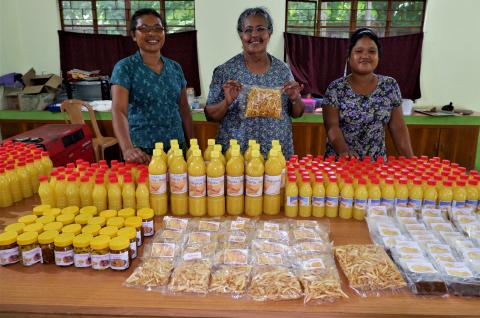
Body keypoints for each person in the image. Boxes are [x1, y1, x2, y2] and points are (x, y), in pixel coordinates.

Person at [204, 7, 304, 159]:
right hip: (237, 155)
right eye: (248, 30)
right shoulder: (225, 71)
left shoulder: (282, 69)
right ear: (240, 35)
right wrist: (226, 102)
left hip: (276, 153)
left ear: (269, 33)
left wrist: (295, 98)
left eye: (260, 29)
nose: (254, 35)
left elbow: (297, 113)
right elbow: (210, 115)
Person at [111, 8, 194, 164]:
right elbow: (119, 110)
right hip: (143, 153)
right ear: (133, 35)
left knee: (179, 188)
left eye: (158, 28)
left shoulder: (175, 68)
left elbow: (184, 109)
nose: (152, 34)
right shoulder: (125, 68)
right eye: (144, 29)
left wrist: (193, 145)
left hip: (177, 151)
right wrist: (128, 149)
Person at [322, 28, 413, 160]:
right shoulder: (336, 88)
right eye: (359, 51)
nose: (365, 56)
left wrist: (411, 162)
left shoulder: (389, 86)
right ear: (349, 57)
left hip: (376, 165)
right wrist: (344, 152)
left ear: (378, 57)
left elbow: (398, 128)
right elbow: (331, 127)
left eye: (372, 51)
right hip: (341, 164)